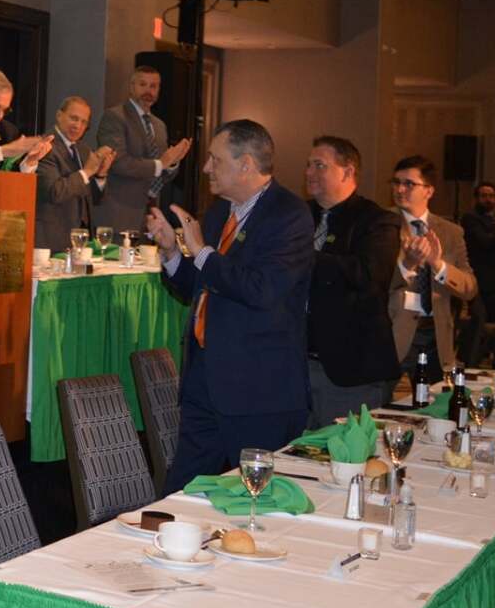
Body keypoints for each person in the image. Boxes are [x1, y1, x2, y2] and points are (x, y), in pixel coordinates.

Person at [144, 119, 314, 491]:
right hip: (204, 384)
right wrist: (173, 252)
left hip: (258, 393)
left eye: (214, 160)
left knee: (258, 504)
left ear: (246, 165)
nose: (206, 168)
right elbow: (201, 287)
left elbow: (261, 290)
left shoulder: (289, 215)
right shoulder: (221, 211)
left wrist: (202, 251)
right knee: (181, 497)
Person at [303, 136, 401, 423]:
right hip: (296, 366)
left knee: (347, 462)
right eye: (308, 165)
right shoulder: (297, 216)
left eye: (319, 165)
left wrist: (303, 257)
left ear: (348, 172)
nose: (309, 173)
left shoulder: (377, 221)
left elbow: (369, 276)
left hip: (350, 373)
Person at [387, 155, 478, 373]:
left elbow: (470, 288)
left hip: (436, 335)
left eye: (409, 183)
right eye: (396, 182)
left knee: (433, 405)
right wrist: (408, 264)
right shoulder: (382, 224)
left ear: (429, 190)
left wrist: (437, 264)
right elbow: (375, 280)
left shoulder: (451, 232)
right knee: (384, 404)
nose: (400, 189)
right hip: (395, 330)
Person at [93, 64, 192, 234]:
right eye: (143, 84)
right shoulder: (114, 117)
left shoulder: (159, 125)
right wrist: (162, 163)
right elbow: (119, 163)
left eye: (153, 86)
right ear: (131, 87)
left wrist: (173, 163)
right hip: (118, 214)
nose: (148, 91)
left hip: (150, 216)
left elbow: (163, 174)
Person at [27, 96, 115, 249]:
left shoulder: (84, 150)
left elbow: (94, 199)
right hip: (51, 238)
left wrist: (101, 175)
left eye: (83, 122)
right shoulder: (44, 147)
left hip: (80, 240)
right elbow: (55, 192)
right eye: (74, 118)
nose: (78, 126)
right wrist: (87, 172)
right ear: (59, 115)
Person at [460, 180, 495, 332]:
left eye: (492, 196)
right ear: (476, 198)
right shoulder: (470, 218)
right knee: (482, 322)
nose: (488, 199)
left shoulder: (493, 220)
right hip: (483, 279)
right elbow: (486, 242)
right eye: (484, 196)